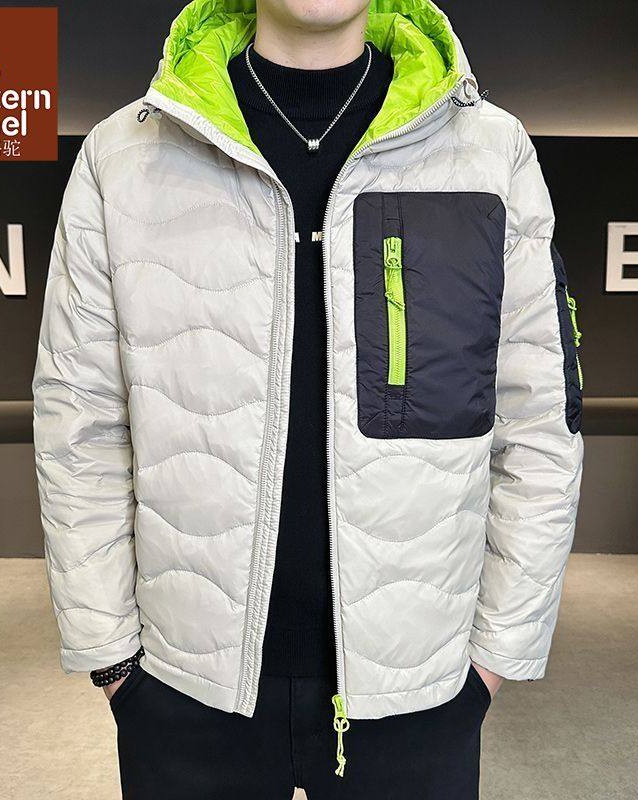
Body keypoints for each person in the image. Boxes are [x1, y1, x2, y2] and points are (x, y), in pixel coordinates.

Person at [32, 0, 584, 797]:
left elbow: (539, 424)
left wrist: (493, 659)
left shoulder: (488, 154)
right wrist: (112, 657)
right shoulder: (126, 157)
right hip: (184, 692)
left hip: (419, 695)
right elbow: (78, 421)